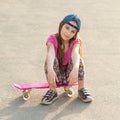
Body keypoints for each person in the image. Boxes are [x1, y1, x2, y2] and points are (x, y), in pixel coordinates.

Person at [41, 14, 93, 105]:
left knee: (78, 60)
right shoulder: (52, 39)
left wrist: (75, 69)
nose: (68, 33)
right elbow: (50, 53)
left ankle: (81, 89)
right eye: (67, 28)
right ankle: (53, 91)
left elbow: (75, 54)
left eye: (72, 31)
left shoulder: (76, 41)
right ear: (61, 25)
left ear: (75, 34)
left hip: (71, 77)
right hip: (55, 76)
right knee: (50, 59)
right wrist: (50, 70)